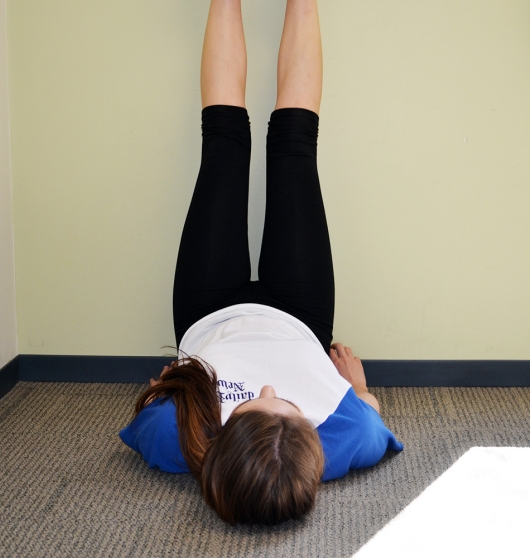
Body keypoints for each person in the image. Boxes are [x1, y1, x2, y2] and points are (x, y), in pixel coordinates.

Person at [120, 0, 403, 526]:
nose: (271, 389)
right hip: (299, 316)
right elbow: (369, 423)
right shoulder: (340, 447)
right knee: (295, 144)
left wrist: (167, 391)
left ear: (218, 442)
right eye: (290, 406)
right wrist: (361, 392)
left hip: (209, 311)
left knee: (224, 144)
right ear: (312, 443)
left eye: (251, 406)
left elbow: (151, 411)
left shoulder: (174, 441)